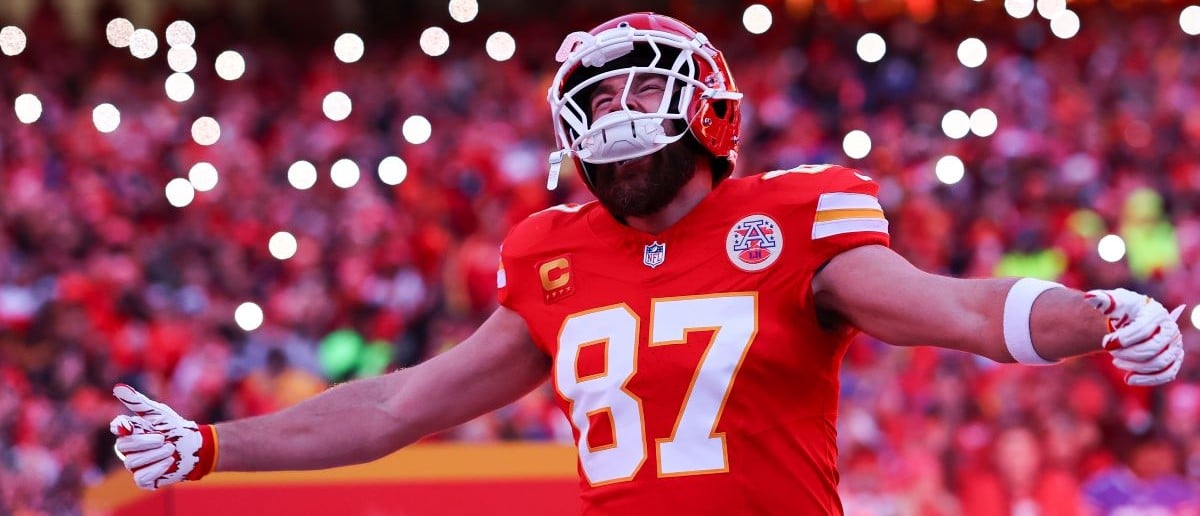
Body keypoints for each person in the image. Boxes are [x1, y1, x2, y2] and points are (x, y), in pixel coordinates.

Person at [110, 12, 1187, 515]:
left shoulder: (797, 215)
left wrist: (1091, 315)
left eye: (640, 90)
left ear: (708, 107)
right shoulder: (549, 251)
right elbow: (398, 405)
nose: (616, 115)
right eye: (599, 97)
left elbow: (948, 307)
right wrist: (212, 445)